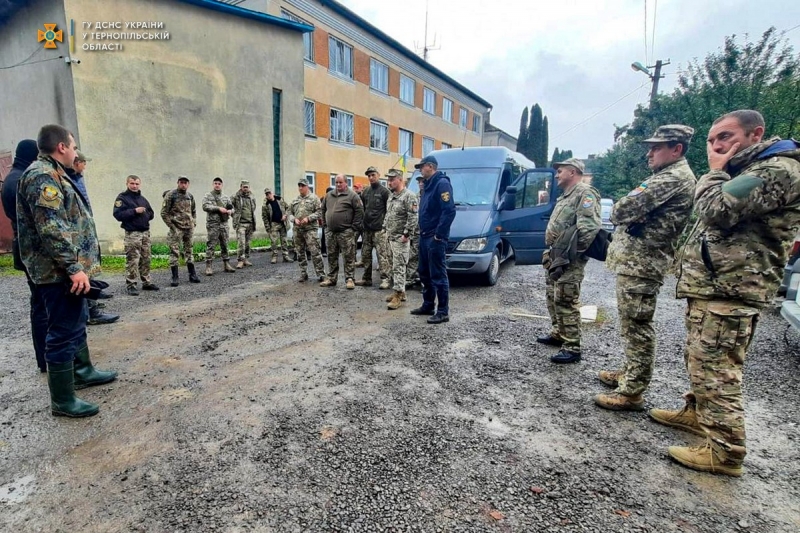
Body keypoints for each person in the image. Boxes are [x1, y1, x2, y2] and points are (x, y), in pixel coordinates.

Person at [650, 110, 800, 477]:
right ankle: (697, 414)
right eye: (712, 139)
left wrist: (714, 170)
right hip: (717, 288)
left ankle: (725, 451)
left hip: (733, 291)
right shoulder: (748, 170)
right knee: (701, 363)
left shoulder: (777, 170)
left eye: (727, 137)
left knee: (717, 371)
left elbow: (715, 209)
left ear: (755, 134)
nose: (717, 145)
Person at [16, 124, 117, 417]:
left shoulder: (56, 173)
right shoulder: (42, 176)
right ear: (61, 146)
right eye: (72, 145)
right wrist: (73, 268)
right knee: (62, 330)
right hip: (56, 272)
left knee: (77, 320)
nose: (74, 150)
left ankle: (82, 371)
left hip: (66, 269)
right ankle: (62, 400)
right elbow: (51, 228)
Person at [594, 125, 697, 411]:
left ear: (676, 149)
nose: (649, 153)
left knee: (637, 326)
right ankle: (629, 374)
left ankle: (632, 391)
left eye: (656, 147)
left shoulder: (671, 178)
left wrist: (622, 209)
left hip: (643, 263)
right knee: (630, 324)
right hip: (638, 262)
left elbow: (621, 210)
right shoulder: (666, 176)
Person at [537, 157, 601, 363]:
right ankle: (558, 333)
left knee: (566, 300)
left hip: (568, 260)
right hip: (556, 256)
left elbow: (588, 229)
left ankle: (572, 347)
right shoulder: (567, 195)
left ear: (572, 172)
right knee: (552, 296)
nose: (557, 175)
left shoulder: (585, 194)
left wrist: (569, 256)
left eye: (560, 171)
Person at [1, 139, 48, 372]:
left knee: (39, 304)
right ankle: (46, 359)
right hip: (32, 249)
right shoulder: (20, 180)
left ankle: (45, 357)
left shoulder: (12, 178)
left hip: (23, 246)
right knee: (41, 305)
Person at [67, 150, 120, 325]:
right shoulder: (68, 180)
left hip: (84, 236)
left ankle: (90, 307)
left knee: (88, 273)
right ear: (76, 162)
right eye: (83, 162)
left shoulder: (76, 179)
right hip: (76, 238)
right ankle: (90, 313)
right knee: (82, 273)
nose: (85, 165)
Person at [410, 155, 455, 324]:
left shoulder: (441, 183)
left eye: (422, 167)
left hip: (434, 238)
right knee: (424, 273)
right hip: (424, 236)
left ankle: (443, 311)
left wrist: (439, 235)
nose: (420, 170)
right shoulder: (428, 185)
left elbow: (449, 211)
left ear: (430, 166)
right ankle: (428, 304)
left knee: (438, 274)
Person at [113, 175, 161, 295]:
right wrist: (134, 211)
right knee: (133, 260)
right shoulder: (122, 198)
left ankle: (146, 282)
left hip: (145, 233)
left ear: (140, 184)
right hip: (132, 234)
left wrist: (145, 216)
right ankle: (131, 284)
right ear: (127, 184)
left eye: (137, 184)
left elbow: (151, 213)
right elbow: (118, 215)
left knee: (146, 258)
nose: (134, 186)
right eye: (132, 183)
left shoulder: (142, 199)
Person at [320, 174, 364, 289]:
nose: (338, 185)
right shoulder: (329, 195)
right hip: (331, 232)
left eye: (341, 182)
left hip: (346, 232)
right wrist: (325, 224)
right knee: (331, 256)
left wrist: (354, 227)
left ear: (346, 183)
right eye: (336, 183)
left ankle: (350, 279)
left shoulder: (353, 196)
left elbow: (359, 211)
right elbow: (323, 209)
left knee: (348, 256)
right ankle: (332, 278)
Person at [383, 169, 418, 309]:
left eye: (392, 179)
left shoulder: (409, 196)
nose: (389, 182)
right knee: (392, 265)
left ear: (400, 179)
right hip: (390, 236)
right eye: (388, 180)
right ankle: (400, 291)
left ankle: (397, 295)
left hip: (400, 238)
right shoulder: (392, 196)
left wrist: (406, 234)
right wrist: (384, 227)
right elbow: (388, 214)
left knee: (399, 266)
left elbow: (413, 217)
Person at [355, 166, 391, 289]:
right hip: (367, 229)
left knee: (382, 256)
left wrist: (386, 227)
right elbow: (364, 208)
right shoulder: (365, 192)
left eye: (373, 175)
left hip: (380, 230)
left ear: (378, 175)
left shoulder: (385, 192)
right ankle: (366, 278)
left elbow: (389, 210)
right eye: (369, 175)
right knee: (366, 255)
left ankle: (385, 279)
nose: (371, 177)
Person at [161, 176, 200, 286]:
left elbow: (193, 211)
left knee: (189, 250)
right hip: (176, 228)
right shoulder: (171, 195)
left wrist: (194, 222)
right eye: (181, 182)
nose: (183, 184)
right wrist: (172, 226)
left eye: (185, 183)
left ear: (188, 184)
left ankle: (192, 275)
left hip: (189, 228)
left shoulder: (190, 196)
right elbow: (164, 213)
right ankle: (175, 277)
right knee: (174, 251)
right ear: (178, 183)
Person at [288, 179, 326, 282]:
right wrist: (294, 219)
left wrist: (308, 218)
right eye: (299, 186)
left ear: (307, 186)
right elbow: (289, 213)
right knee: (300, 253)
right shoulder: (295, 200)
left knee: (315, 252)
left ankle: (321, 274)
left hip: (310, 230)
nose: (300, 188)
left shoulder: (314, 198)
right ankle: (303, 273)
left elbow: (320, 212)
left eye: (302, 186)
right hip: (298, 230)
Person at [202, 177, 236, 275]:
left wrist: (230, 211)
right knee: (211, 245)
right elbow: (205, 206)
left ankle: (226, 264)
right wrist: (218, 208)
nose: (217, 185)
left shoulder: (225, 197)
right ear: (213, 184)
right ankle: (209, 266)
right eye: (215, 183)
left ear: (222, 185)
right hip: (213, 224)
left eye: (219, 183)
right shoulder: (208, 196)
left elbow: (232, 208)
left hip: (224, 224)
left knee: (225, 244)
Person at [262, 188, 293, 264]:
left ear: (272, 193)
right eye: (267, 194)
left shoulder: (280, 200)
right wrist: (268, 228)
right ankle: (274, 256)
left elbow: (288, 208)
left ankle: (285, 256)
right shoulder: (265, 205)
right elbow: (264, 217)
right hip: (273, 224)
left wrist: (285, 215)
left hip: (283, 223)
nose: (268, 195)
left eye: (269, 193)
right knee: (274, 241)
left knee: (284, 240)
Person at [406, 174, 425, 288]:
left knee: (426, 258)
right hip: (416, 232)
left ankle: (425, 282)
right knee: (413, 255)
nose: (420, 183)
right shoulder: (415, 197)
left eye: (423, 181)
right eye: (419, 182)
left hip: (428, 232)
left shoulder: (431, 195)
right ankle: (410, 278)